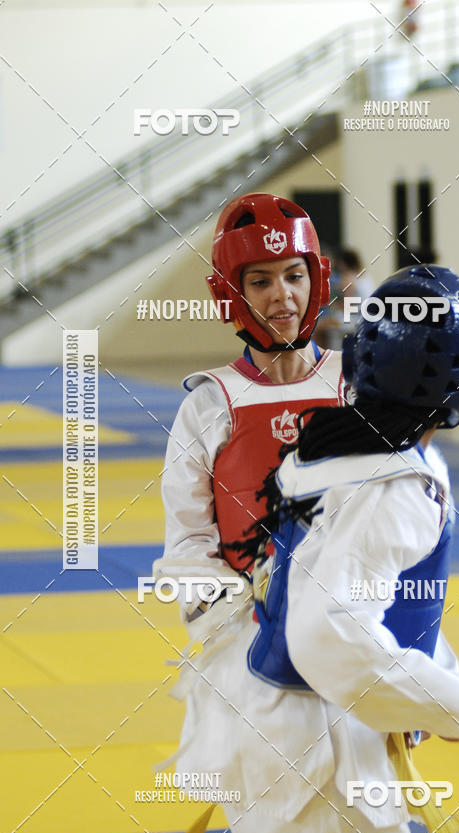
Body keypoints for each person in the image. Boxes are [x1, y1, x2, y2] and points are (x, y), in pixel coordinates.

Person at [173, 264, 459, 833]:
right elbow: (326, 633)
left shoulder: (330, 448)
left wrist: (415, 683)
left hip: (266, 716)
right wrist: (451, 703)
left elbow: (363, 596)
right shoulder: (396, 484)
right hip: (316, 746)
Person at [154, 192, 344, 627]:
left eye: (295, 276)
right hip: (247, 636)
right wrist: (237, 611)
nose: (283, 295)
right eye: (260, 282)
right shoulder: (209, 404)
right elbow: (188, 540)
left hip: (349, 626)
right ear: (230, 295)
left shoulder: (356, 386)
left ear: (318, 280)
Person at [314, 248, 376, 350]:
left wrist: (332, 304)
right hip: (366, 318)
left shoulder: (348, 279)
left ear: (343, 263)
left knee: (317, 327)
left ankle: (319, 360)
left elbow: (346, 308)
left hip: (353, 320)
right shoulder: (366, 277)